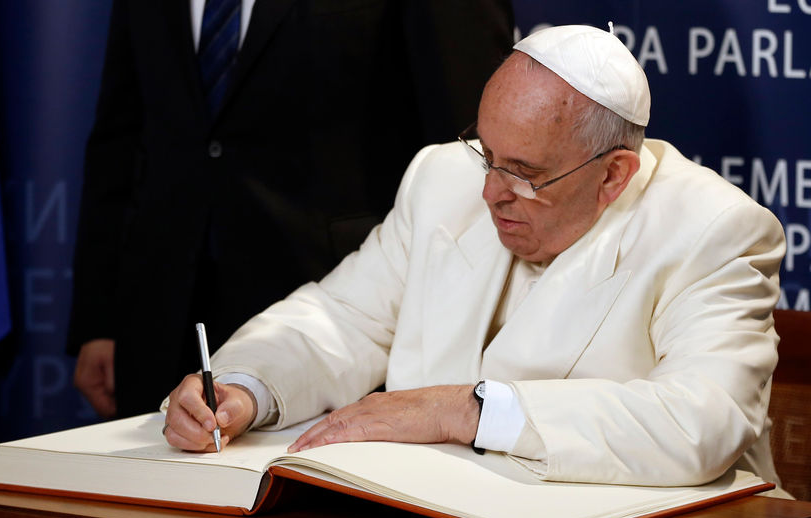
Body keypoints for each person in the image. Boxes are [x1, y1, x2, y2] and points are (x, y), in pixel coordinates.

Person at [163, 24, 787, 489]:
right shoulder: (443, 178)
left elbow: (704, 420)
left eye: (525, 173)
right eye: (486, 153)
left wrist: (463, 409)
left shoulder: (714, 229)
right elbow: (343, 319)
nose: (490, 192)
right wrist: (245, 387)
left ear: (613, 176)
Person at [67, 1, 514, 418]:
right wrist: (99, 318)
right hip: (156, 313)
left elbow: (473, 142)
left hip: (342, 319)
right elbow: (120, 135)